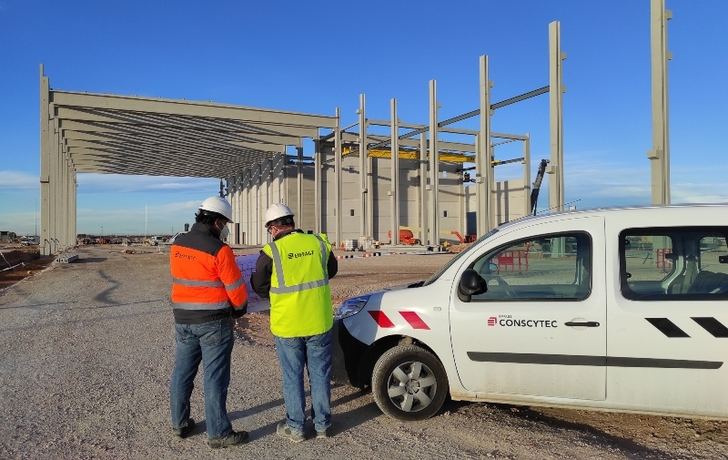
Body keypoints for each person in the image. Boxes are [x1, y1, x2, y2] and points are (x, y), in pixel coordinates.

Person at [251, 203, 338, 442]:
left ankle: (296, 427)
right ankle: (322, 425)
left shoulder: (271, 252)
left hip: (288, 325)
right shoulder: (318, 243)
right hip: (318, 321)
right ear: (291, 222)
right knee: (320, 374)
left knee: (293, 376)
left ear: (272, 228)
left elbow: (258, 287)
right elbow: (331, 270)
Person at [169, 196, 249, 448]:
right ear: (216, 221)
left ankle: (179, 424)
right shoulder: (219, 250)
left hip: (183, 319)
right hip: (214, 322)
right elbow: (235, 288)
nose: (225, 227)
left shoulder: (177, 244)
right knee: (215, 378)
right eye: (224, 222)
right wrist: (240, 309)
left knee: (182, 373)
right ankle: (219, 434)